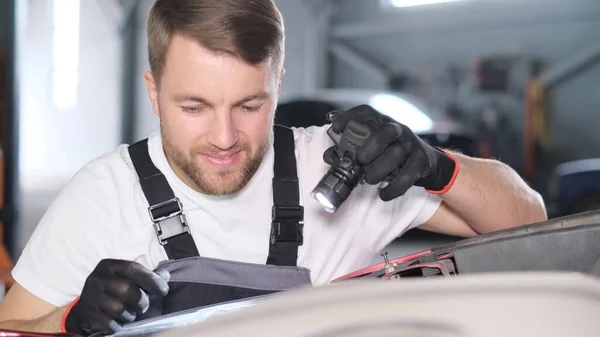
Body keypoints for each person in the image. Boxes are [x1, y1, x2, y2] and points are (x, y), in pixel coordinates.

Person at [0, 0, 547, 335]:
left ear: (277, 86)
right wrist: (70, 321)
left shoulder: (335, 165)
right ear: (153, 91)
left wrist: (436, 165)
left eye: (249, 105)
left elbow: (528, 222)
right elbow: (12, 327)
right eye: (193, 107)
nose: (223, 138)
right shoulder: (103, 195)